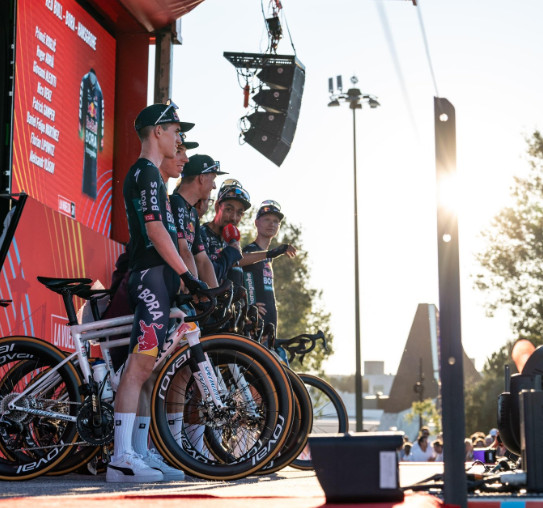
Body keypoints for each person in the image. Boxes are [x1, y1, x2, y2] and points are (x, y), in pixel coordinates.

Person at [107, 101, 207, 483]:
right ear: (157, 132)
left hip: (160, 278)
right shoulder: (146, 173)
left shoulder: (153, 176)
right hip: (149, 276)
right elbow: (154, 231)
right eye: (176, 130)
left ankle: (140, 450)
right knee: (139, 365)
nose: (180, 139)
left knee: (149, 371)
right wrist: (189, 275)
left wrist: (182, 279)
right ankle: (121, 459)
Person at [168, 154, 226, 288]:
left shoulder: (193, 212)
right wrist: (196, 290)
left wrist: (215, 296)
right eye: (213, 179)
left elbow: (203, 260)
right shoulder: (175, 202)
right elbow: (184, 252)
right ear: (201, 178)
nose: (214, 186)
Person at [242, 200, 297, 331]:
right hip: (253, 323)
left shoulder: (269, 258)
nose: (271, 224)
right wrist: (248, 306)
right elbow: (237, 264)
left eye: (276, 221)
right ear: (256, 223)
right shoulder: (249, 251)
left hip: (269, 324)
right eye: (267, 219)